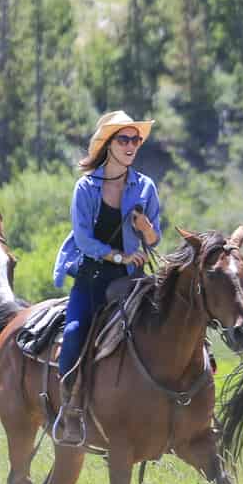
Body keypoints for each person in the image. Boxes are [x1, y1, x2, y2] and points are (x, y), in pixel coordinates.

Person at [49, 110, 163, 446]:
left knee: (173, 320)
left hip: (133, 280)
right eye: (124, 139)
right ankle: (70, 408)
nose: (131, 145)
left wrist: (146, 230)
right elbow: (82, 239)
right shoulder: (85, 187)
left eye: (135, 140)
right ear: (108, 145)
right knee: (73, 334)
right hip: (93, 276)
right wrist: (118, 255)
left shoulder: (145, 187)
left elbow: (155, 240)